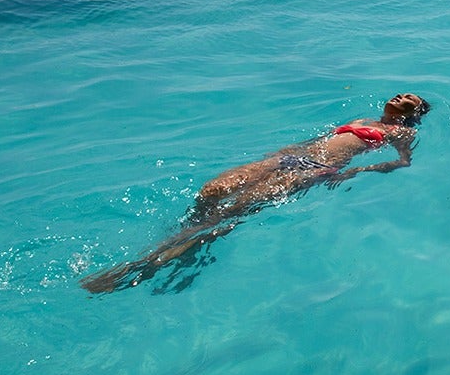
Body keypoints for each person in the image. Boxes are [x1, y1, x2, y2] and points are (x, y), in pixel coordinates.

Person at [82, 92, 431, 294]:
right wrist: (278, 154)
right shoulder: (362, 117)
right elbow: (324, 138)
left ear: (414, 111)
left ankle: (139, 268)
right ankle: (183, 241)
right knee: (212, 190)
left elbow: (401, 164)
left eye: (409, 98)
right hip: (289, 157)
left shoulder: (401, 134)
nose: (401, 96)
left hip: (311, 170)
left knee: (226, 214)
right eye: (401, 93)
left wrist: (349, 172)